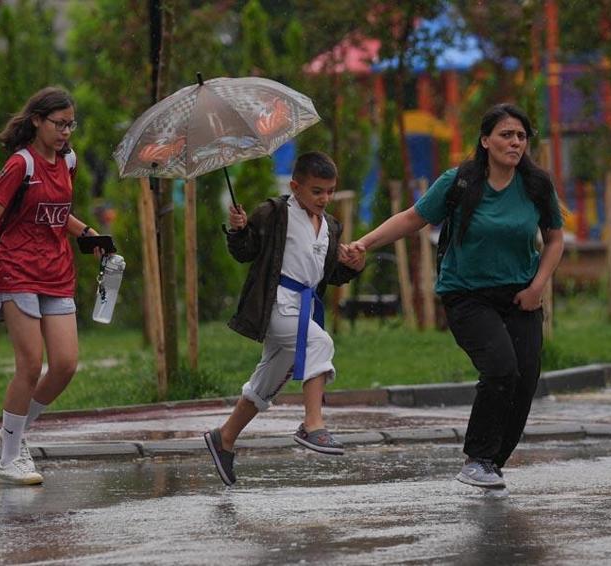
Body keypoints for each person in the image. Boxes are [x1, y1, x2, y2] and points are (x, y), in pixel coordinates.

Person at [349, 104, 565, 492]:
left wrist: (538, 287)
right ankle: (478, 458)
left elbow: (554, 239)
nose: (515, 142)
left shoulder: (536, 186)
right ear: (485, 141)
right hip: (467, 295)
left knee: (525, 378)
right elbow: (413, 218)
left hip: (521, 294)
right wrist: (364, 243)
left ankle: (493, 463)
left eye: (521, 136)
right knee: (501, 368)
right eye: (506, 135)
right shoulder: (460, 181)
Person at [0, 87, 100, 486]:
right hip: (16, 271)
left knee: (66, 364)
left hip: (57, 272)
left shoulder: (67, 161)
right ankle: (9, 460)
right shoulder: (20, 164)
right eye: (59, 124)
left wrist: (87, 233)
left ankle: (12, 432)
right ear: (37, 120)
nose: (67, 132)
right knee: (31, 365)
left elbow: (55, 214)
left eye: (71, 124)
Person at [204, 151, 365, 486]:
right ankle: (313, 424)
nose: (324, 198)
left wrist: (351, 265)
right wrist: (238, 230)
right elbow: (245, 252)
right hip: (275, 301)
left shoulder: (330, 225)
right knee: (319, 342)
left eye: (330, 191)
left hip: (304, 305)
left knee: (269, 378)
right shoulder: (275, 213)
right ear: (295, 187)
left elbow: (328, 274)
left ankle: (225, 438)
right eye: (316, 191)